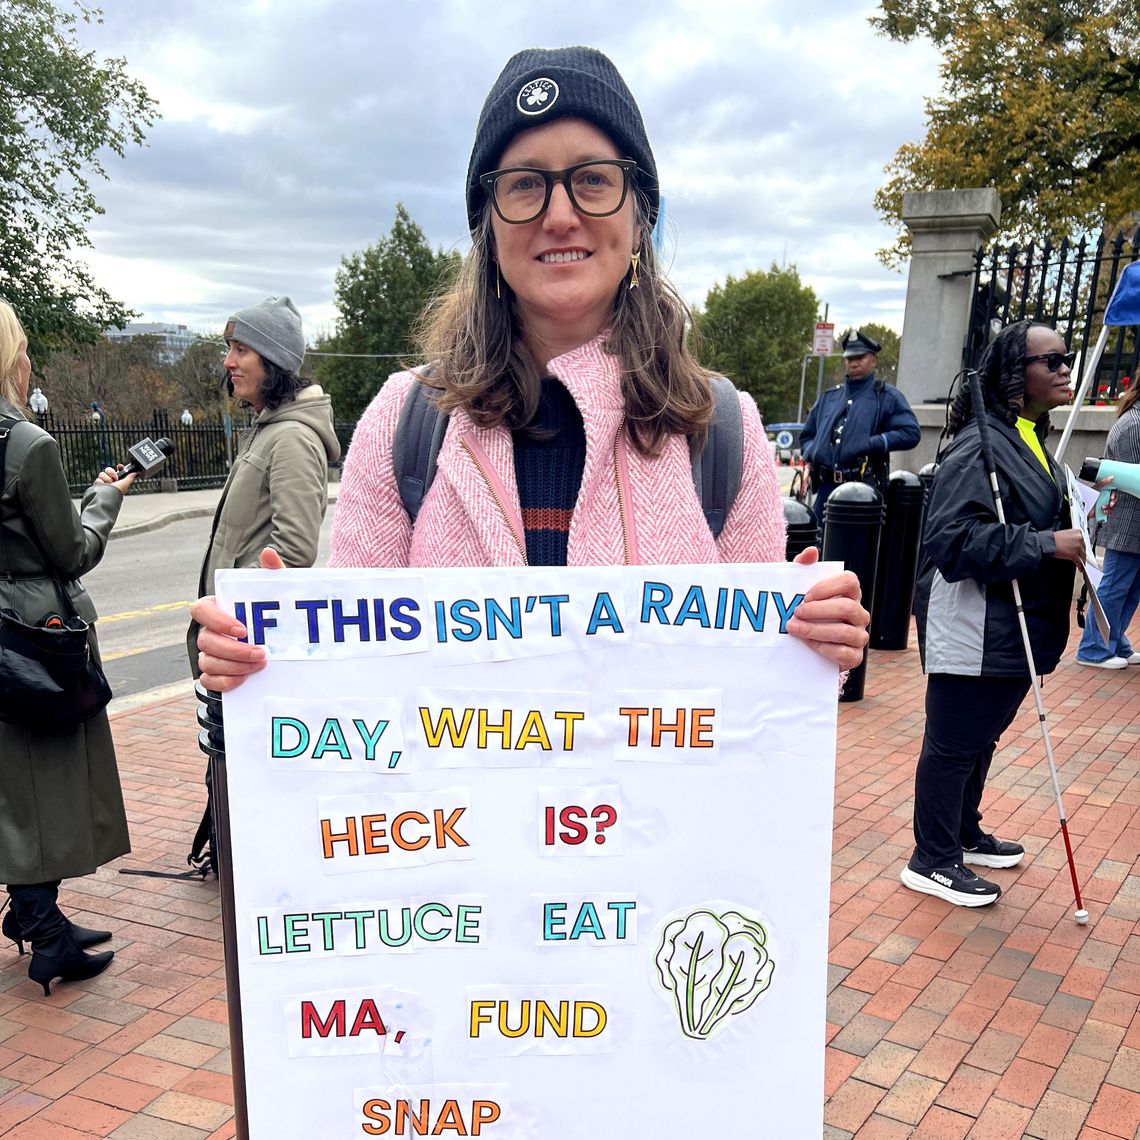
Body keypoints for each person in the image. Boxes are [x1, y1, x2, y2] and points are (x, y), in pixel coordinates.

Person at [191, 46, 869, 690]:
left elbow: (754, 707)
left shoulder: (722, 430)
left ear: (640, 217)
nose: (561, 214)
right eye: (525, 186)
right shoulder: (406, 421)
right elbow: (350, 673)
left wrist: (812, 647)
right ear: (488, 224)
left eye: (593, 180)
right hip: (454, 814)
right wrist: (269, 659)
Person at [904, 320, 1085, 907]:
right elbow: (950, 540)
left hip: (1018, 625)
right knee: (954, 742)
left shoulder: (1029, 436)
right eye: (1050, 360)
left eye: (1068, 357)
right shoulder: (977, 445)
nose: (1064, 368)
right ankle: (930, 858)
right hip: (974, 627)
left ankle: (962, 831)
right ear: (1014, 374)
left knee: (981, 739)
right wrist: (1045, 544)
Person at [0, 299, 137, 994]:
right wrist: (105, 497)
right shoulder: (25, 445)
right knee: (43, 779)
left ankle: (39, 912)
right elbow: (71, 550)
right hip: (31, 638)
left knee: (11, 781)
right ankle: (43, 929)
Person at [186, 296, 341, 674]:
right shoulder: (268, 429)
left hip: (249, 643)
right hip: (232, 635)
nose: (228, 362)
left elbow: (295, 549)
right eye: (229, 349)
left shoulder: (292, 438)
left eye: (242, 350)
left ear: (273, 362)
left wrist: (235, 603)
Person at [800, 328, 920, 533]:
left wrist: (872, 443)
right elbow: (807, 435)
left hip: (863, 491)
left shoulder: (886, 396)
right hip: (827, 487)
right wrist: (813, 450)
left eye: (860, 357)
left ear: (873, 359)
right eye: (849, 358)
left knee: (855, 554)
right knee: (818, 548)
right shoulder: (829, 397)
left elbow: (910, 432)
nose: (853, 363)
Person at [1074, 380, 1140, 668]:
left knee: (1131, 587)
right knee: (1115, 586)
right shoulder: (1134, 425)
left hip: (1132, 521)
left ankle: (1115, 641)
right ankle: (1092, 648)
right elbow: (1131, 479)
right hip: (1126, 521)